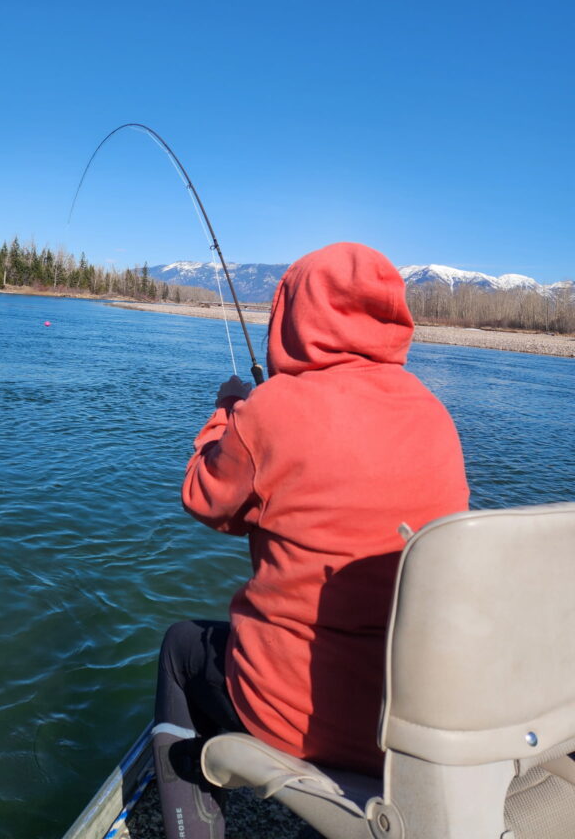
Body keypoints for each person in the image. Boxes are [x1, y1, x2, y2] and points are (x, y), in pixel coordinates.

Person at [151, 242, 470, 839]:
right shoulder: (434, 415)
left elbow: (205, 500)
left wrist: (226, 416)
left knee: (180, 647)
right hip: (414, 722)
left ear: (289, 313)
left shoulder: (270, 411)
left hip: (301, 718)